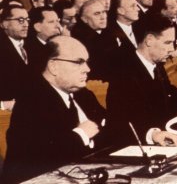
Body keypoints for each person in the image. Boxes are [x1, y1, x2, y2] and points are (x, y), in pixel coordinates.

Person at [2, 36, 107, 184]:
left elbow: (109, 127)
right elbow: (40, 157)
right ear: (53, 66)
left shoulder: (83, 95)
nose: (87, 69)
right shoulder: (32, 100)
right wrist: (81, 134)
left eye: (87, 62)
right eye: (79, 62)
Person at [106, 14, 177, 147]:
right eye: (167, 43)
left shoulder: (158, 67)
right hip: (137, 147)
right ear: (149, 40)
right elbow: (122, 122)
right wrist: (153, 134)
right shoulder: (123, 71)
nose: (172, 49)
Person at [0, 5, 33, 110]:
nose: (26, 25)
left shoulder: (32, 46)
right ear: (4, 23)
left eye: (27, 20)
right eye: (20, 20)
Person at [26, 6, 62, 72]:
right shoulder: (30, 51)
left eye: (58, 21)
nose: (58, 26)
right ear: (37, 27)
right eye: (51, 22)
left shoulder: (61, 44)